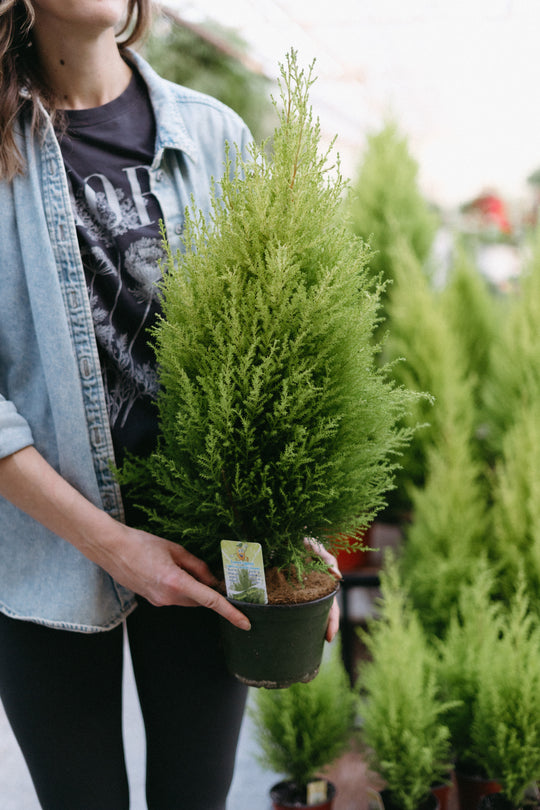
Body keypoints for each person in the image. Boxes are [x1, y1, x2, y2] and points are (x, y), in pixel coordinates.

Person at [0, 2, 340, 809]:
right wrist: (112, 545)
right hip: (46, 549)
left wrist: (287, 518)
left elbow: (268, 350)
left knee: (196, 796)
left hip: (206, 548)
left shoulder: (213, 133)